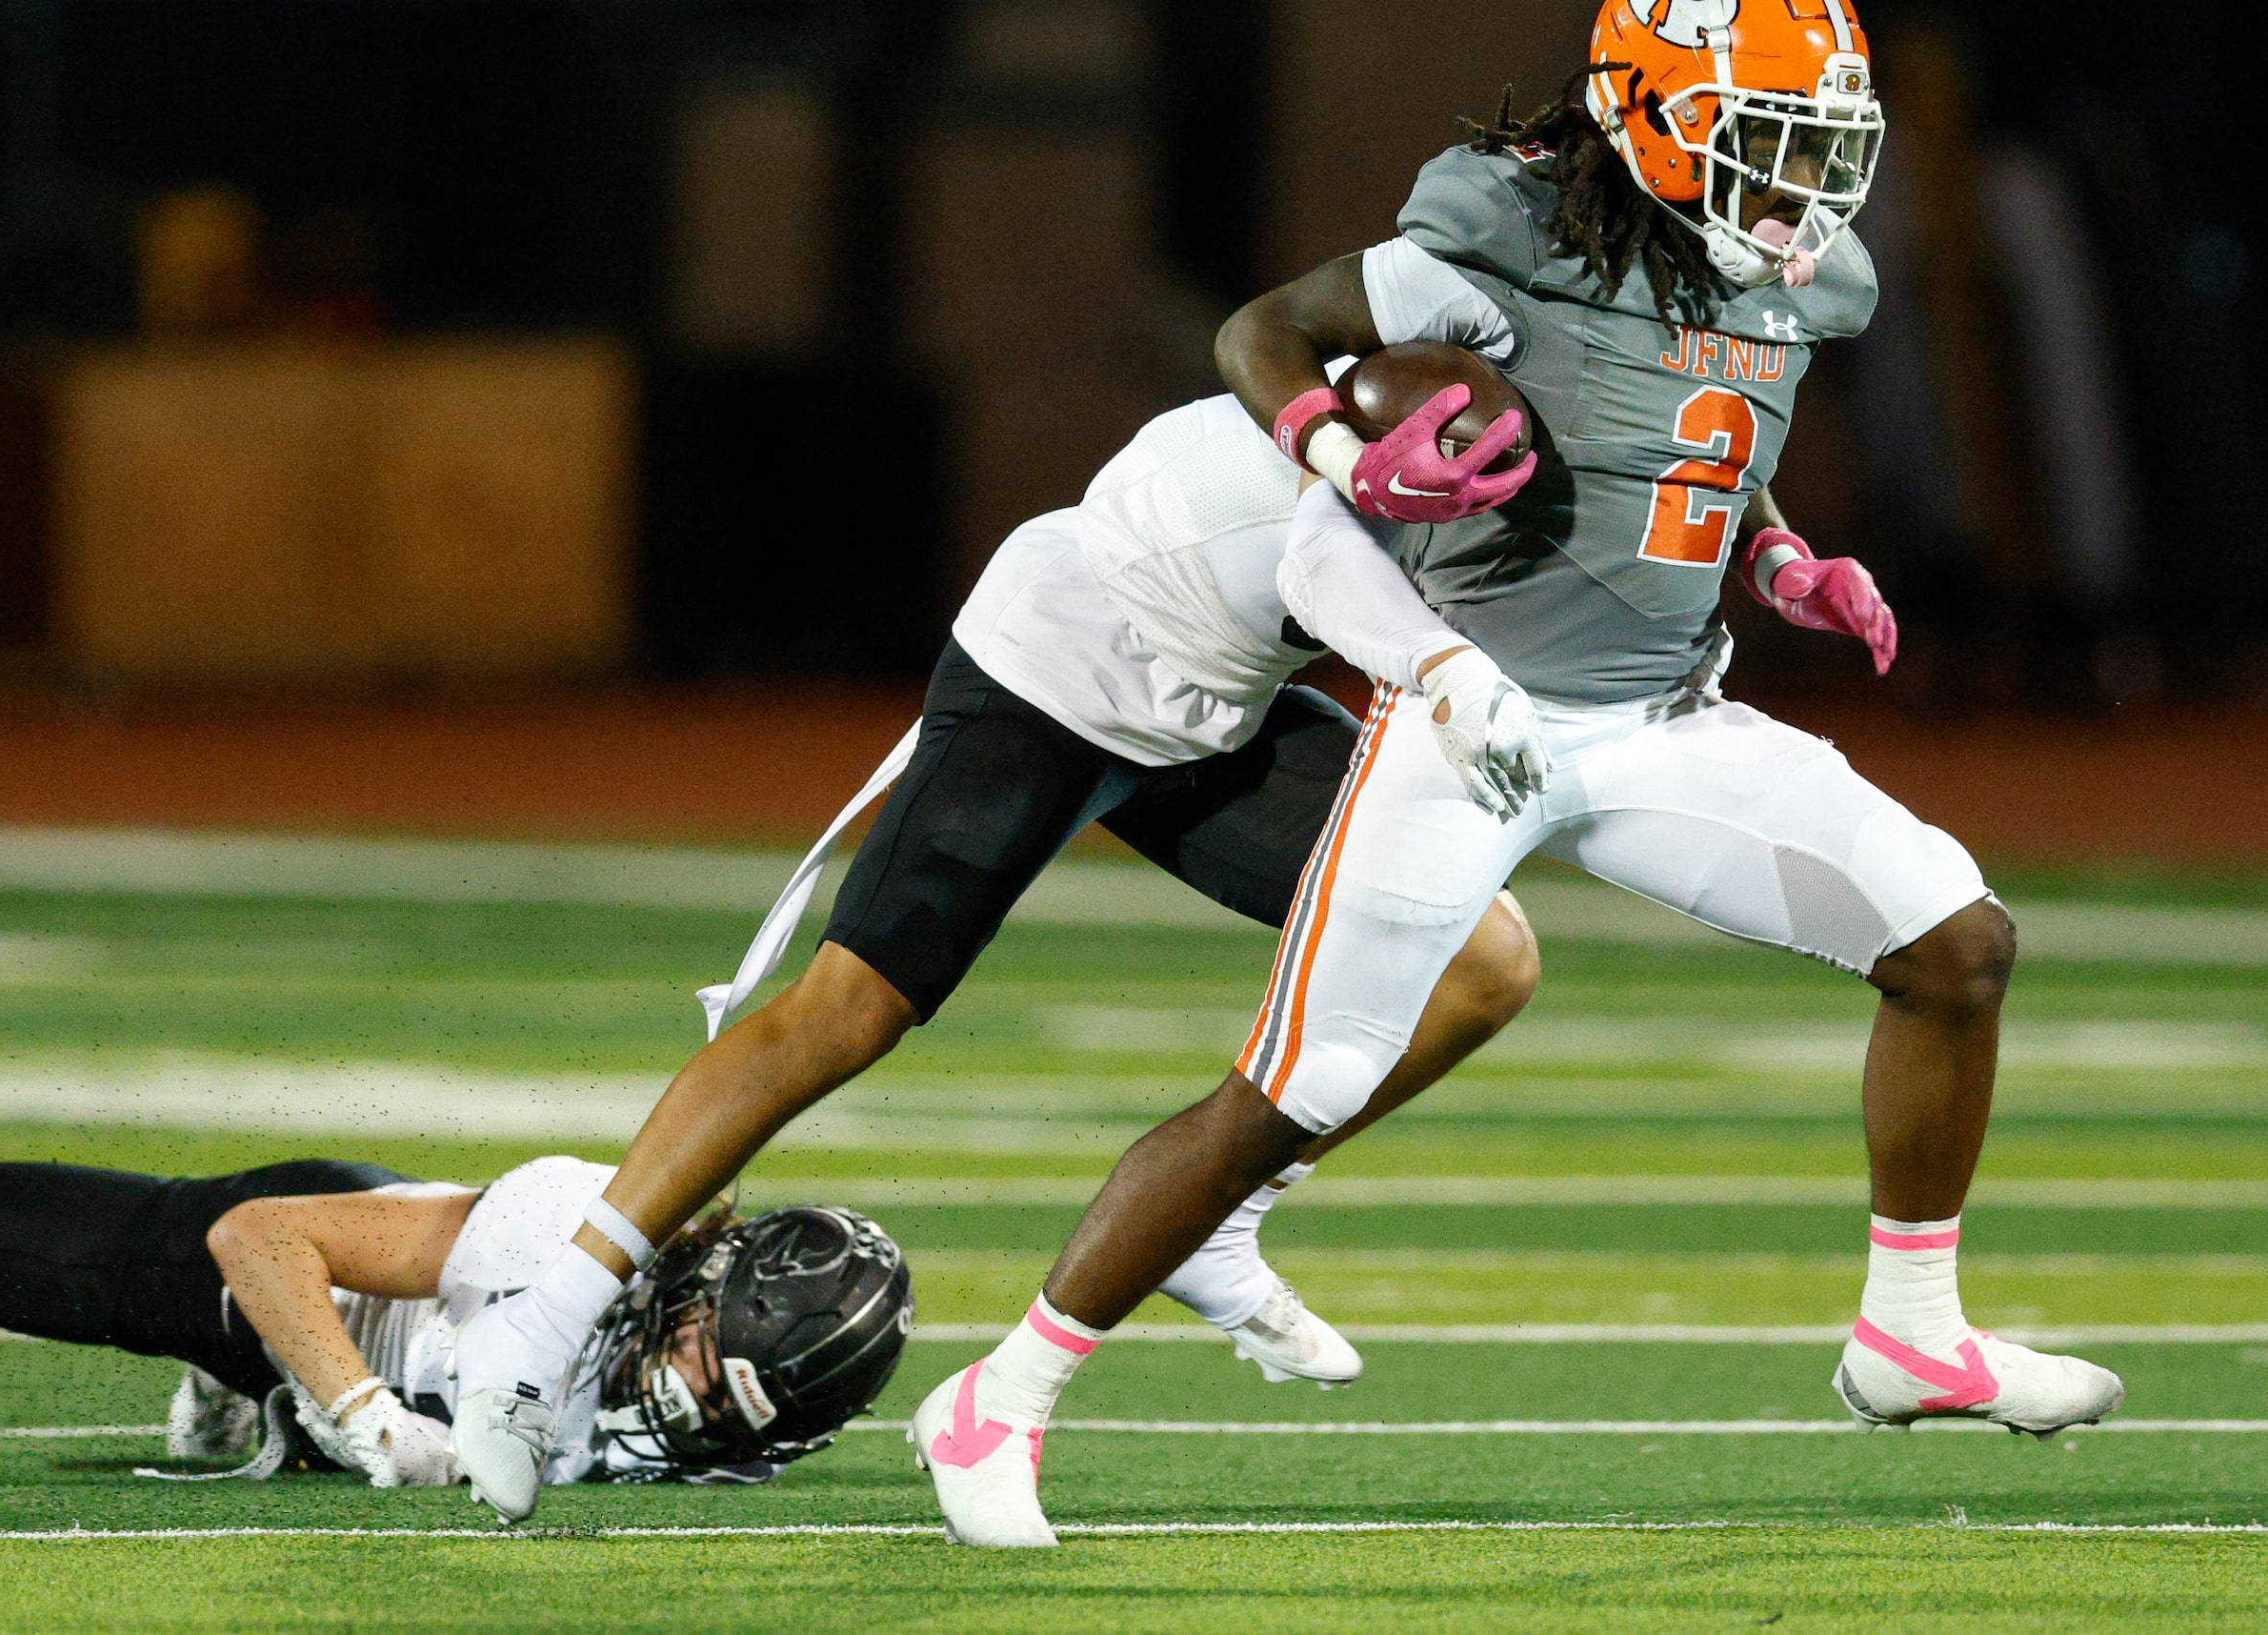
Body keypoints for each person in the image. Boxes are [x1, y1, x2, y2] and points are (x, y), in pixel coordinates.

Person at [911, 0, 2125, 1546]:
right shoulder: (1511, 226)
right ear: (1649, 113)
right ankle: (1002, 1392)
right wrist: (1340, 447)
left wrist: (1776, 557)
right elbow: (1266, 327)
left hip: (1661, 722)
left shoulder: (1803, 271)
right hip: (1467, 714)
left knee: (1955, 938)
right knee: (1300, 1083)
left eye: (1820, 136)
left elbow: (1706, 422)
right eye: (1765, 133)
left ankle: (1911, 1330)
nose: (1805, 182)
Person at [448, 284, 1556, 1522]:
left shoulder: (1490, 367)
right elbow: (1425, 650)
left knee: (1482, 957)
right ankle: (536, 1333)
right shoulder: (1334, 519)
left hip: (1215, 707)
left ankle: (1219, 1212)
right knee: (847, 1011)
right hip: (1060, 668)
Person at [0, 691, 911, 1494]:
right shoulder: (564, 1243)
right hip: (281, 1268)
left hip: (354, 1319)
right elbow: (260, 1238)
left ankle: (244, 1386)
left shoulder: (733, 1423)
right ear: (691, 1280)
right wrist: (365, 1416)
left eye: (741, 1398)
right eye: (706, 1353)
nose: (695, 1398)